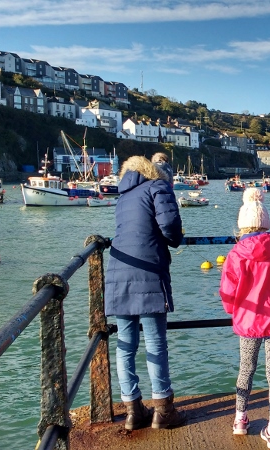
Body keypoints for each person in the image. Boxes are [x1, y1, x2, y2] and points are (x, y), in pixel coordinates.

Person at [104, 155, 185, 430]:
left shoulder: (124, 195)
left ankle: (132, 410)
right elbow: (170, 226)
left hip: (119, 271)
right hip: (148, 271)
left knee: (125, 344)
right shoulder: (158, 187)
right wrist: (175, 240)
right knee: (155, 342)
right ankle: (163, 409)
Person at [220, 188, 270, 449]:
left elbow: (228, 291)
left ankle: (240, 420)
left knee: (246, 369)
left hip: (248, 320)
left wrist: (233, 311)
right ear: (266, 224)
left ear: (242, 225)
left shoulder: (236, 254)